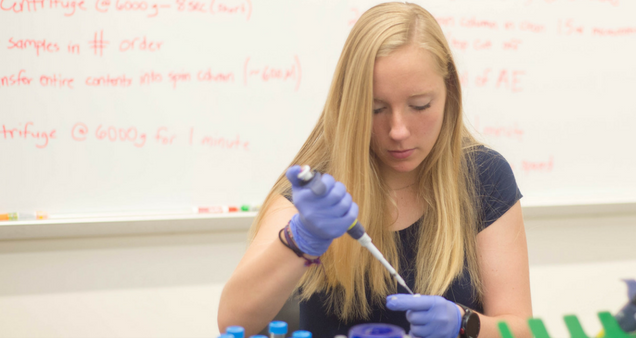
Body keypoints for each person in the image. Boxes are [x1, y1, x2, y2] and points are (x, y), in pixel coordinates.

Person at [218, 2, 532, 337]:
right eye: (376, 108)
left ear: (450, 92)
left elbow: (522, 330)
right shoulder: (319, 191)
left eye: (420, 106)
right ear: (350, 104)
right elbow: (233, 322)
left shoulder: (484, 176)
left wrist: (465, 323)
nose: (398, 130)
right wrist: (301, 238)